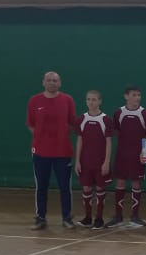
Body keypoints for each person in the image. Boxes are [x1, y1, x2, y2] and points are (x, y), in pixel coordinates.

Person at [25, 70, 77, 230]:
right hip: (41, 153)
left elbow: (72, 123)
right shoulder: (34, 101)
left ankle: (67, 218)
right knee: (41, 187)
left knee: (65, 187)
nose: (52, 83)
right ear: (43, 82)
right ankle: (40, 218)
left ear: (59, 83)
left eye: (55, 80)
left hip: (63, 152)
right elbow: (30, 124)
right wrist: (41, 137)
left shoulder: (68, 100)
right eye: (49, 80)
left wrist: (60, 135)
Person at [107, 86, 146, 228]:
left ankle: (135, 216)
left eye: (139, 95)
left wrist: (144, 152)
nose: (137, 97)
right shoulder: (119, 113)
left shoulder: (145, 114)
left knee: (136, 183)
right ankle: (118, 216)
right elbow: (116, 131)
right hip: (121, 155)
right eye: (134, 95)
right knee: (120, 183)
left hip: (137, 156)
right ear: (126, 96)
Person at [74, 89, 115, 230]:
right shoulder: (81, 119)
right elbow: (79, 141)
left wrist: (106, 162)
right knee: (86, 188)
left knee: (100, 189)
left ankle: (99, 219)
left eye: (94, 99)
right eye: (88, 99)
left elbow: (109, 143)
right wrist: (77, 161)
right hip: (85, 162)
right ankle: (87, 218)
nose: (91, 102)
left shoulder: (106, 120)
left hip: (100, 162)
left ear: (100, 101)